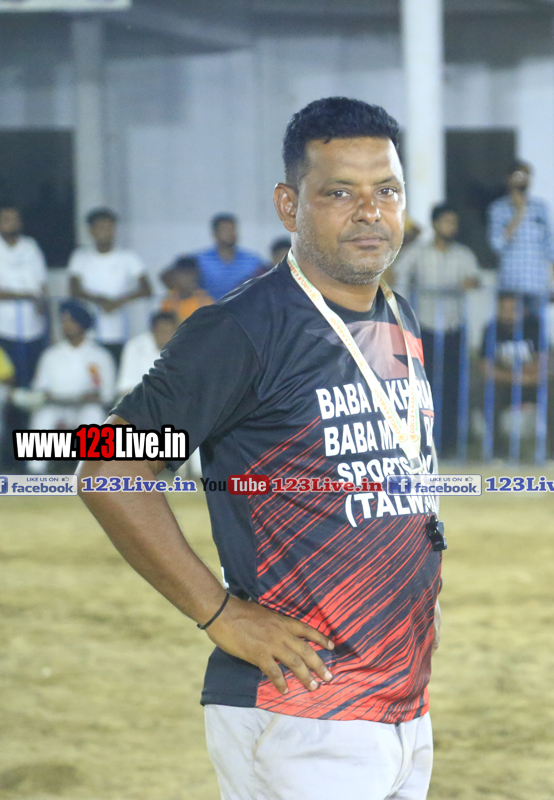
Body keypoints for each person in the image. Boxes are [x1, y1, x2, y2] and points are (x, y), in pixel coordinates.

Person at [79, 97, 441, 799]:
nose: (370, 212)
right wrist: (219, 613)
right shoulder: (241, 329)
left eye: (387, 191)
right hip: (298, 709)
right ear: (288, 205)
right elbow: (106, 463)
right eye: (340, 193)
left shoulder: (397, 315)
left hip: (400, 699)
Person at [390, 203, 482, 458]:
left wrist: (470, 282)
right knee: (422, 387)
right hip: (425, 329)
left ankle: (449, 444)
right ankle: (423, 442)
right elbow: (396, 274)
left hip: (453, 328)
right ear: (435, 224)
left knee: (452, 386)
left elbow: (475, 278)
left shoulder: (463, 254)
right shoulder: (419, 252)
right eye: (446, 222)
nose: (450, 227)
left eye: (454, 223)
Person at [27, 301, 116, 473]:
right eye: (63, 321)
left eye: (70, 321)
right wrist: (52, 397)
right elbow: (40, 390)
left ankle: (90, 473)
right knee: (42, 418)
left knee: (94, 417)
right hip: (56, 406)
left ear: (82, 323)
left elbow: (108, 394)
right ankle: (35, 471)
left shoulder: (100, 355)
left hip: (86, 407)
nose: (65, 326)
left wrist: (92, 397)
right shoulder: (51, 354)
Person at [476, 292, 554, 459]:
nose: (509, 314)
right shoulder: (491, 329)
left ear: (523, 310)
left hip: (533, 382)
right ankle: (498, 452)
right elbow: (486, 367)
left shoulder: (533, 325)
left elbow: (545, 360)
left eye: (513, 309)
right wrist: (517, 377)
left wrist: (525, 376)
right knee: (485, 395)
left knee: (552, 391)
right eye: (504, 309)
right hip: (505, 384)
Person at [67, 208, 152, 366]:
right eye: (101, 227)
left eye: (109, 227)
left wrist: (118, 302)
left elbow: (146, 288)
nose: (105, 232)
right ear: (91, 230)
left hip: (124, 330)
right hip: (90, 331)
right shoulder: (80, 256)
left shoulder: (128, 256)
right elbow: (74, 289)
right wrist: (100, 301)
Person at [0, 204, 48, 389]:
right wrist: (27, 295)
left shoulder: (30, 246)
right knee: (7, 383)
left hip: (34, 328)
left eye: (15, 219)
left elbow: (42, 288)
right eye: (6, 219)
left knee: (33, 381)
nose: (12, 223)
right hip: (2, 329)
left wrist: (41, 308)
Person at [487, 160, 554, 295]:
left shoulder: (541, 208)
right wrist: (519, 213)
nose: (523, 179)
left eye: (526, 175)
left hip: (537, 284)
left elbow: (551, 246)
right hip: (510, 283)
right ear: (510, 179)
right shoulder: (498, 209)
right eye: (519, 175)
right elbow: (497, 245)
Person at [194, 213, 266, 300]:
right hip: (209, 307)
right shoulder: (200, 260)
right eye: (225, 230)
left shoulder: (252, 261)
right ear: (215, 233)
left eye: (233, 229)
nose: (230, 233)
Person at [116, 311, 178, 397]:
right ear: (153, 331)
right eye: (163, 332)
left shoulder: (184, 347)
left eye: (171, 332)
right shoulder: (135, 346)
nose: (167, 336)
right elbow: (126, 387)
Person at [159, 256, 214, 322]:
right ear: (175, 276)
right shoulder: (169, 301)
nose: (186, 279)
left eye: (189, 274)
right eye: (182, 275)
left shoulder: (204, 300)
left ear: (196, 276)